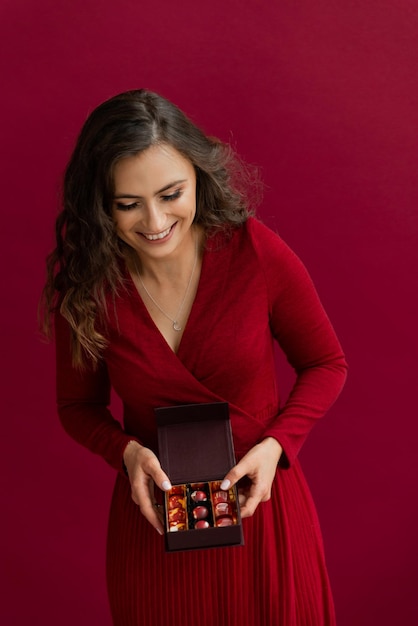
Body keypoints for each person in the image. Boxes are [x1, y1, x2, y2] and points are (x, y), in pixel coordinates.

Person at [41, 89, 348, 626]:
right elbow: (77, 407)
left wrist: (278, 446)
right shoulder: (90, 288)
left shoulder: (254, 251)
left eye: (171, 193)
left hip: (263, 508)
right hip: (156, 525)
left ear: (198, 176)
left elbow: (326, 363)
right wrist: (125, 452)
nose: (155, 221)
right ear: (99, 204)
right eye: (127, 204)